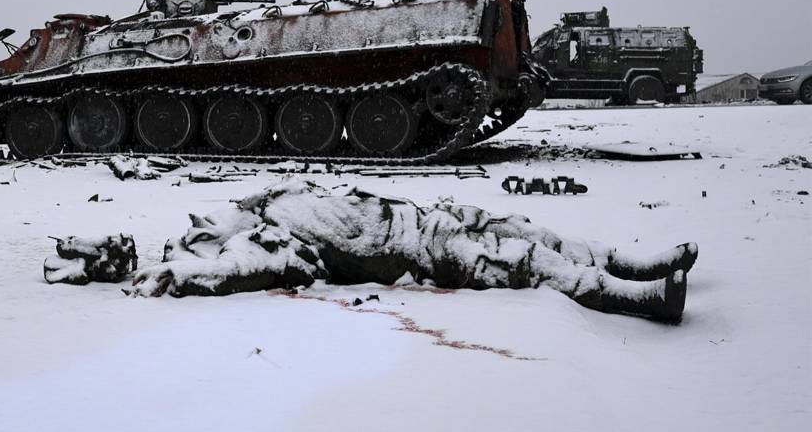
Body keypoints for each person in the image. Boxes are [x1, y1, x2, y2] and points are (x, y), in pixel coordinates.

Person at [131, 179, 697, 323]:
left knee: (521, 230)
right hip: (414, 248)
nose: (201, 219)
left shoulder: (274, 197)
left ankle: (624, 261)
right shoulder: (269, 242)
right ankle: (637, 297)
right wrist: (182, 276)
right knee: (515, 261)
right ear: (208, 242)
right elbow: (246, 272)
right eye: (197, 232)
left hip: (420, 215)